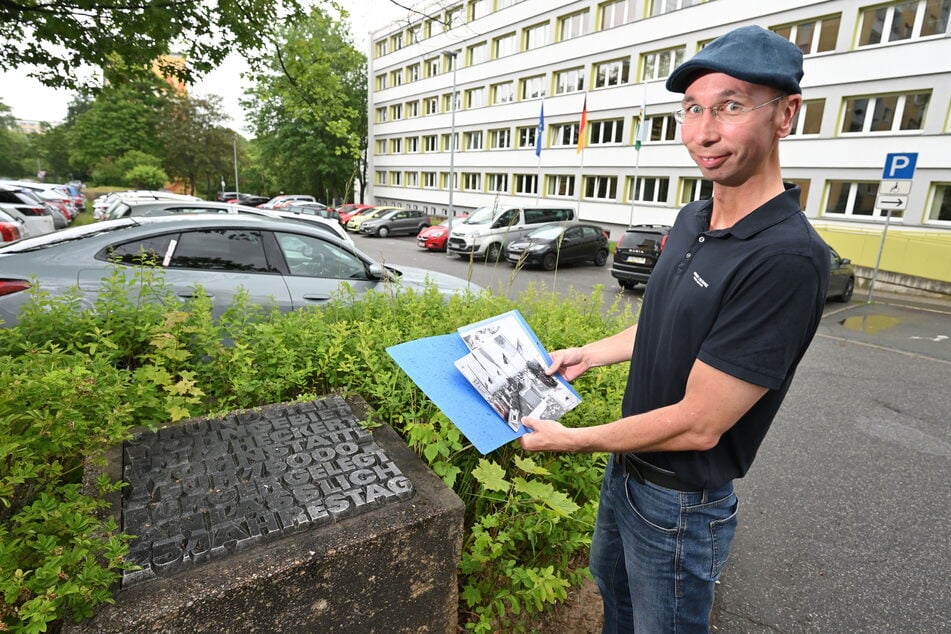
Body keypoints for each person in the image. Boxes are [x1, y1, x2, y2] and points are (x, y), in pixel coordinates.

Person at [519, 25, 831, 632]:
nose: (703, 133)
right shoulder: (692, 217)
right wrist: (590, 352)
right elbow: (663, 323)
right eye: (691, 109)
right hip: (627, 474)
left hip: (681, 507)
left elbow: (700, 424)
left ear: (785, 114)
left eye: (730, 107)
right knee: (615, 606)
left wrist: (573, 439)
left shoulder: (786, 258)